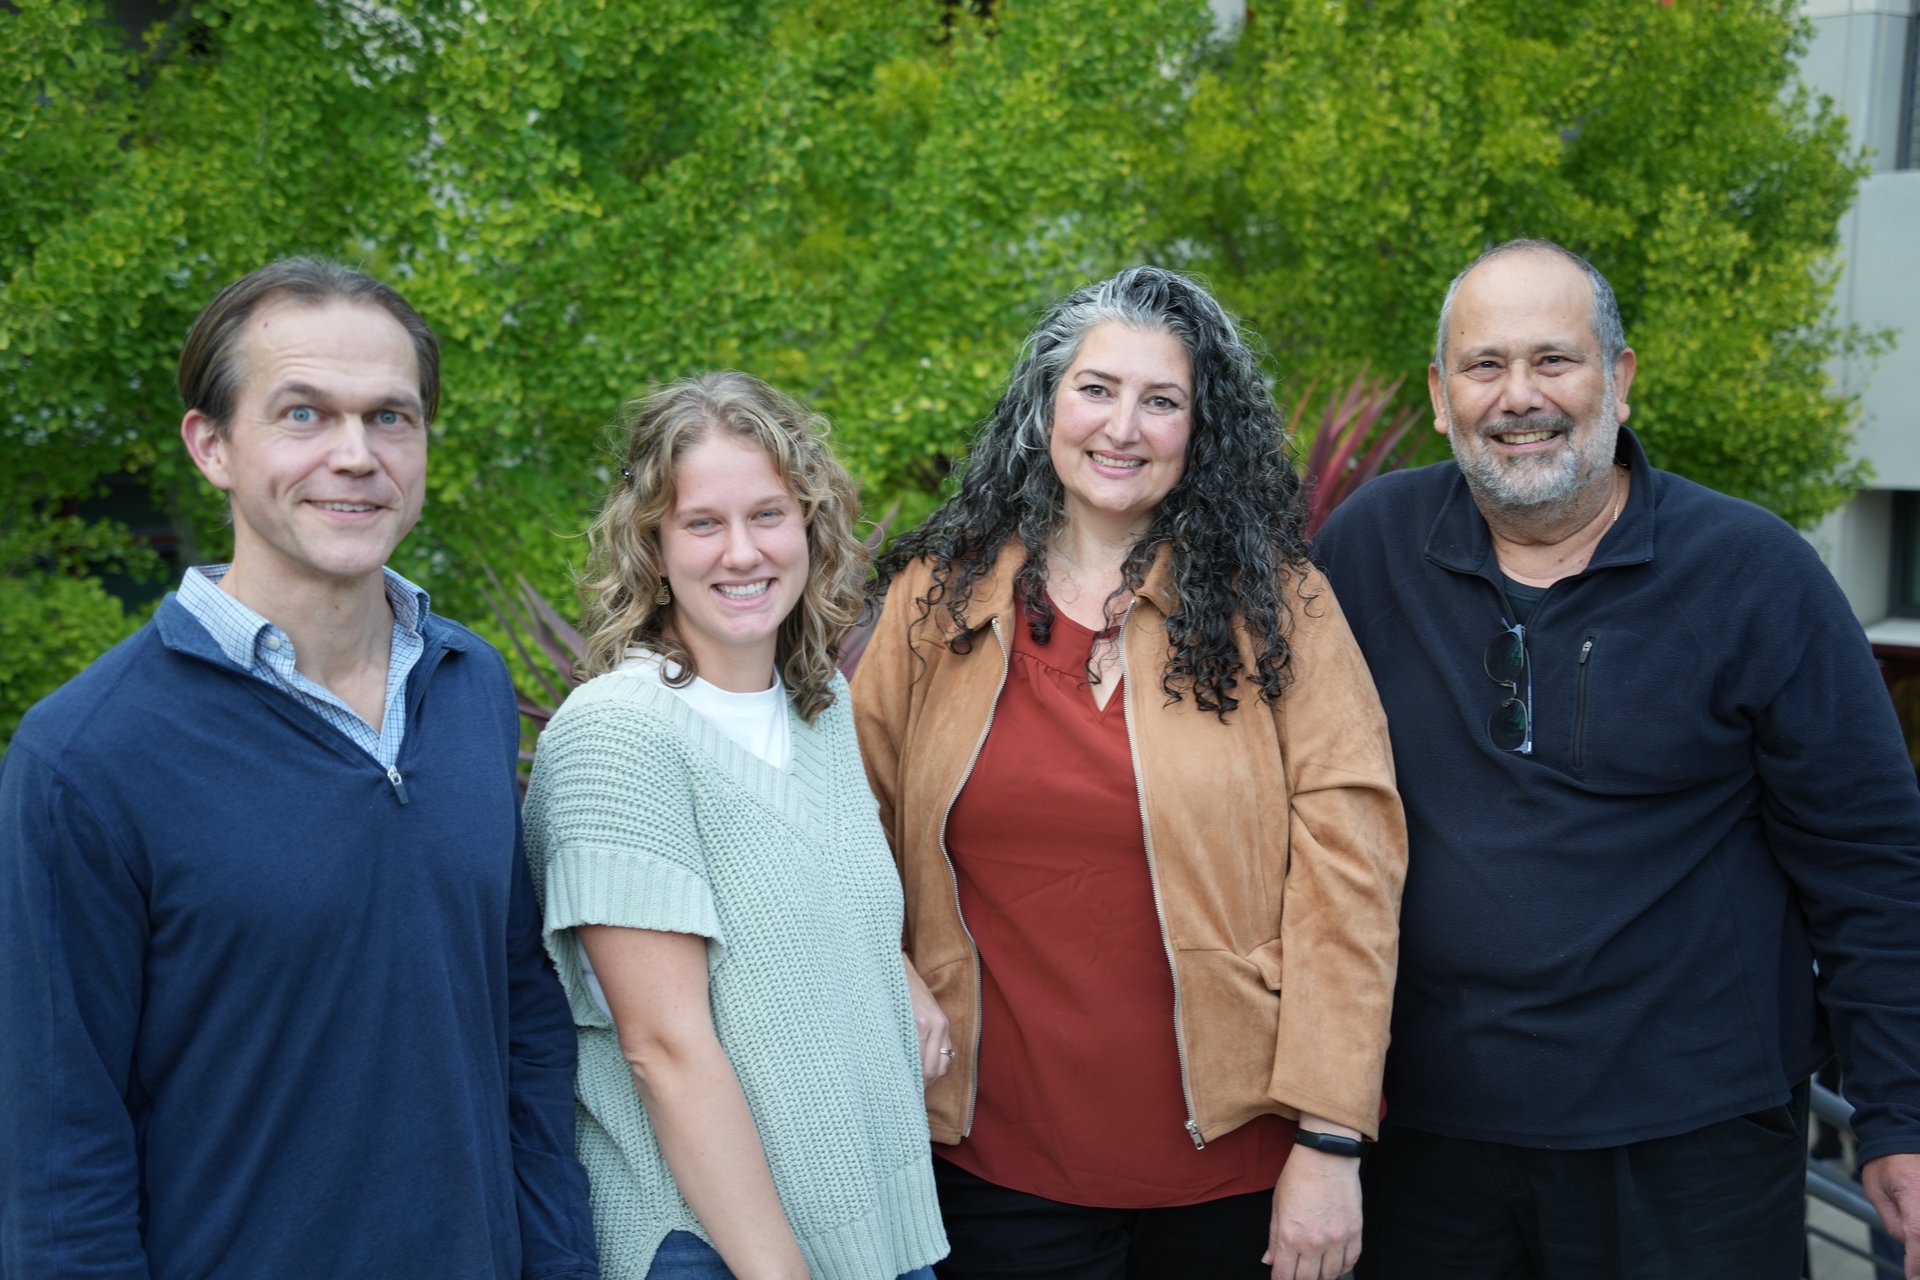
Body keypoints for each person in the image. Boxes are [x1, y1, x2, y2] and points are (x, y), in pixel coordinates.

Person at [1312, 237, 1920, 1279]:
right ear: (1442, 394)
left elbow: (1870, 863)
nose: (1520, 396)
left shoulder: (1755, 573)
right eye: (1485, 364)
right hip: (1426, 1145)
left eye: (1554, 359)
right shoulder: (1368, 550)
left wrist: (1899, 1112)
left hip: (1695, 1149)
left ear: (1620, 378)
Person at [0, 259, 597, 1278]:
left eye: (390, 417)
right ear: (212, 446)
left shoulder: (469, 686)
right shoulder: (84, 758)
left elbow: (523, 1021)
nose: (355, 456)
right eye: (304, 414)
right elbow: (59, 1158)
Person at [853, 266, 1408, 1280]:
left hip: (1233, 1176)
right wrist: (888, 972)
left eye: (1162, 401)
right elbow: (842, 824)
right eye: (1097, 389)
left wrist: (1331, 1139)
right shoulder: (937, 601)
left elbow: (1352, 881)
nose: (1123, 427)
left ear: (1202, 429)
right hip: (988, 1169)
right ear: (1046, 404)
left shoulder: (1283, 610)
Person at [522, 372, 949, 1280]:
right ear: (652, 546)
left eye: (767, 515)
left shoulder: (818, 706)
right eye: (702, 524)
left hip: (875, 1227)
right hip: (715, 1249)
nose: (743, 552)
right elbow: (663, 1049)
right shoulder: (617, 735)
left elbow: (799, 900)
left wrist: (897, 974)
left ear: (810, 527)